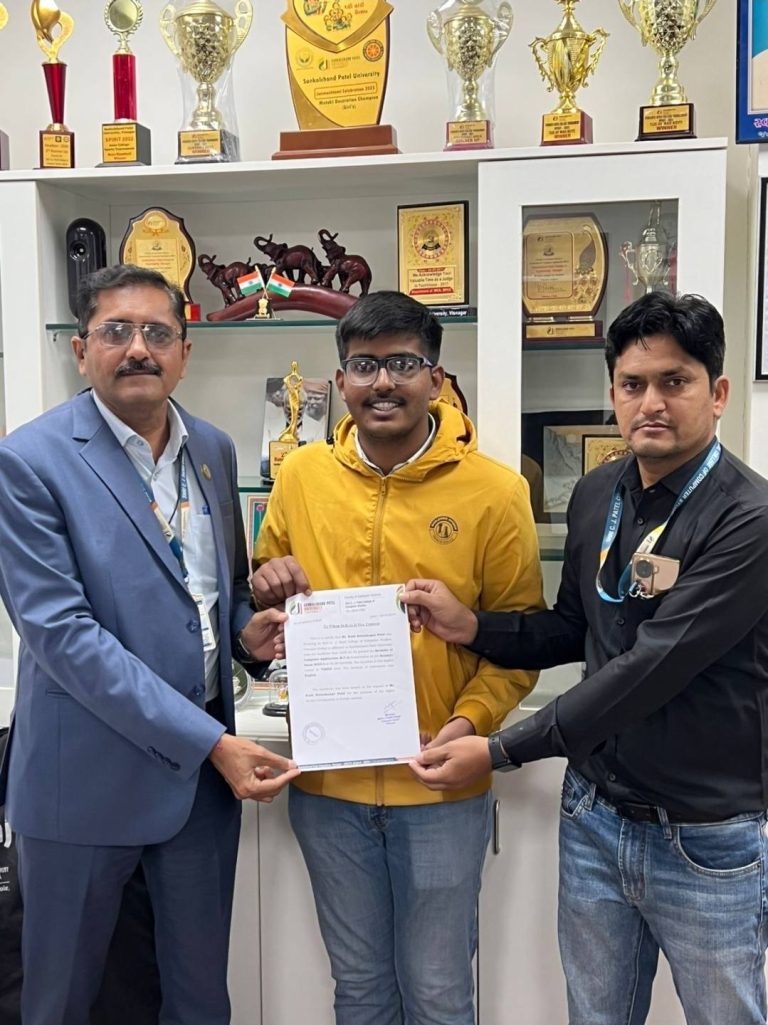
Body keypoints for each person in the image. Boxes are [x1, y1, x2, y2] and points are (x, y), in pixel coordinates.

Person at [404, 291, 768, 1025]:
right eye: (633, 384)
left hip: (706, 837)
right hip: (595, 816)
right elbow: (575, 628)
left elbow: (650, 668)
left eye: (675, 381)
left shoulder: (748, 519)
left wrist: (499, 750)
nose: (651, 403)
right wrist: (471, 625)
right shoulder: (599, 492)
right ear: (613, 392)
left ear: (719, 393)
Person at [0, 264, 299, 1025]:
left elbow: (220, 592)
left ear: (184, 353)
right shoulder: (29, 461)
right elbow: (64, 636)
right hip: (83, 787)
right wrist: (212, 743)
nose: (138, 348)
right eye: (116, 331)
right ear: (81, 350)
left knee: (199, 1002)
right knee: (62, 1002)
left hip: (196, 796)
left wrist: (249, 634)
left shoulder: (214, 450)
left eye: (157, 333)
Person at [251, 290, 543, 1025]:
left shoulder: (496, 491)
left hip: (439, 789)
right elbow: (267, 590)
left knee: (440, 993)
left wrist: (469, 724)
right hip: (328, 790)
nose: (383, 382)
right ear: (340, 380)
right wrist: (266, 586)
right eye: (365, 365)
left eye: (404, 364)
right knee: (359, 990)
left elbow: (521, 642)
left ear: (436, 379)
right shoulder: (301, 477)